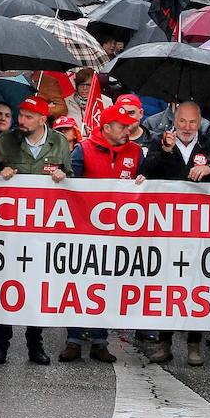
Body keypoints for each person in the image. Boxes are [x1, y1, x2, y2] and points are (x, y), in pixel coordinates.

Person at [141, 101, 210, 365]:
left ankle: (193, 344)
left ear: (199, 122)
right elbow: (144, 174)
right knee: (169, 285)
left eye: (192, 122)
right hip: (168, 227)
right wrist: (165, 152)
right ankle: (164, 343)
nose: (187, 127)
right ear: (174, 121)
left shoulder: (209, 146)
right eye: (182, 121)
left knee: (196, 285)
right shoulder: (159, 141)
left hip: (200, 227)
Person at [0, 96, 72, 365]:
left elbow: (70, 175)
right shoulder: (7, 141)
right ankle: (0, 344)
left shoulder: (59, 142)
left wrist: (63, 177)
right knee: (6, 284)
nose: (21, 121)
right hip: (11, 229)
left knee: (36, 287)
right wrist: (1, 172)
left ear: (42, 120)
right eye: (20, 115)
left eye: (27, 117)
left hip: (44, 230)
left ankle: (34, 344)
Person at [61, 102, 143, 364]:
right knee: (80, 282)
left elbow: (150, 180)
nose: (127, 128)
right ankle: (73, 338)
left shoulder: (136, 151)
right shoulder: (84, 150)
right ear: (106, 128)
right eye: (121, 125)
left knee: (107, 285)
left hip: (118, 232)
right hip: (85, 229)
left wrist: (144, 179)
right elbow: (71, 179)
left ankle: (99, 340)